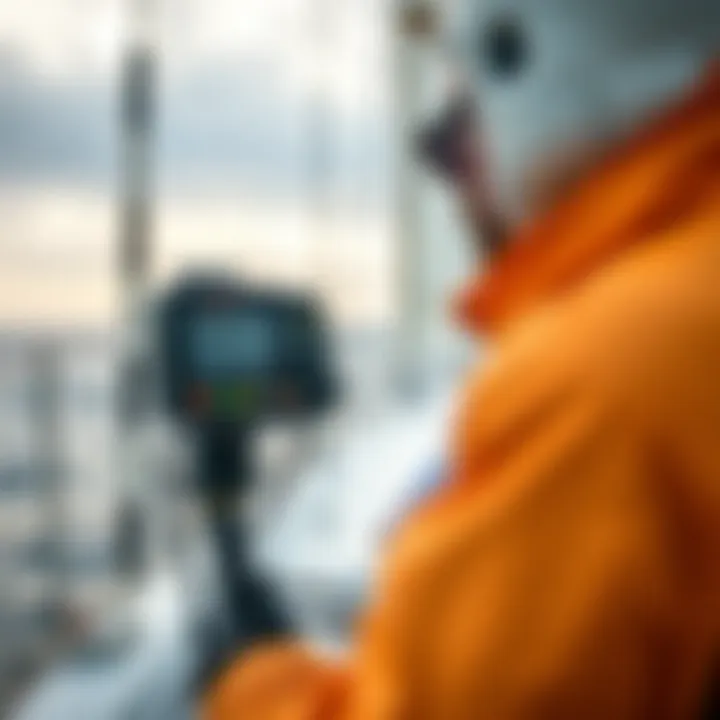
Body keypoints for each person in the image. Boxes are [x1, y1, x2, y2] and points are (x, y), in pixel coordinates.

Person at [204, 0, 720, 716]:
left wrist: (246, 683)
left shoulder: (599, 377)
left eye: (450, 136)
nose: (448, 179)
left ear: (535, 77)